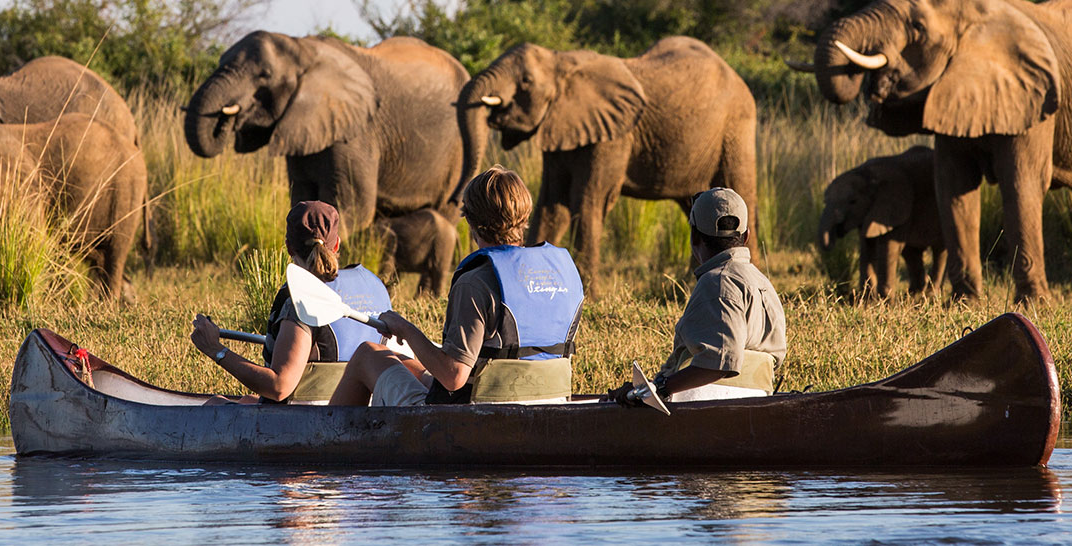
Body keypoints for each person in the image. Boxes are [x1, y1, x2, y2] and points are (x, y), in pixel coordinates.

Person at [329, 166, 584, 406]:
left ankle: (327, 436)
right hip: (550, 403)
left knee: (369, 354)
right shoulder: (562, 273)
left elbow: (454, 377)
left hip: (472, 417)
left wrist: (406, 330)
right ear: (525, 215)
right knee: (405, 362)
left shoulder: (476, 282)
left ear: (471, 222)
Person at [189, 201, 391, 404]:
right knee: (248, 401)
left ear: (289, 247)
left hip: (310, 418)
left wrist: (216, 350)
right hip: (362, 412)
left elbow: (279, 387)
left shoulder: (301, 300)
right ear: (337, 244)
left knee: (215, 404)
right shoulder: (374, 286)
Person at [608, 187, 786, 405]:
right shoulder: (764, 283)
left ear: (694, 237)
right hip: (757, 404)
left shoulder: (717, 282)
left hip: (700, 409)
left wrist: (658, 388)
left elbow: (720, 362)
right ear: (747, 236)